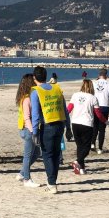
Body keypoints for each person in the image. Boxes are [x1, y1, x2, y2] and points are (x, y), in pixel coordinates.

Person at [31, 66, 70, 194]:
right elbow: (65, 110)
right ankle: (53, 181)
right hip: (60, 125)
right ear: (46, 76)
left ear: (34, 78)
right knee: (56, 154)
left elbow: (36, 115)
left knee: (47, 155)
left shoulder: (36, 92)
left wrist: (35, 132)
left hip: (47, 126)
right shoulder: (57, 88)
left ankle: (52, 183)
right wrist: (68, 127)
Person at [67, 80, 108, 175]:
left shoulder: (75, 95)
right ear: (91, 87)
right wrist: (105, 121)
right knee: (87, 147)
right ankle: (77, 161)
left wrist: (63, 117)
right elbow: (98, 113)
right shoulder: (93, 98)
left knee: (80, 146)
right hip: (87, 124)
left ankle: (81, 168)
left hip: (75, 123)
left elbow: (68, 109)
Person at [15, 73, 41, 187]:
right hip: (27, 129)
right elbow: (27, 117)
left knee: (36, 153)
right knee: (28, 155)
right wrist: (33, 131)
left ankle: (22, 173)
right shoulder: (26, 99)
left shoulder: (27, 97)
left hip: (26, 128)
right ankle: (27, 179)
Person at [92, 69, 109, 154]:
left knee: (95, 126)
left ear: (99, 75)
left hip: (95, 107)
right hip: (105, 107)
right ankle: (100, 149)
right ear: (106, 75)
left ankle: (92, 143)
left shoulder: (94, 83)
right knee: (102, 129)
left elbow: (90, 94)